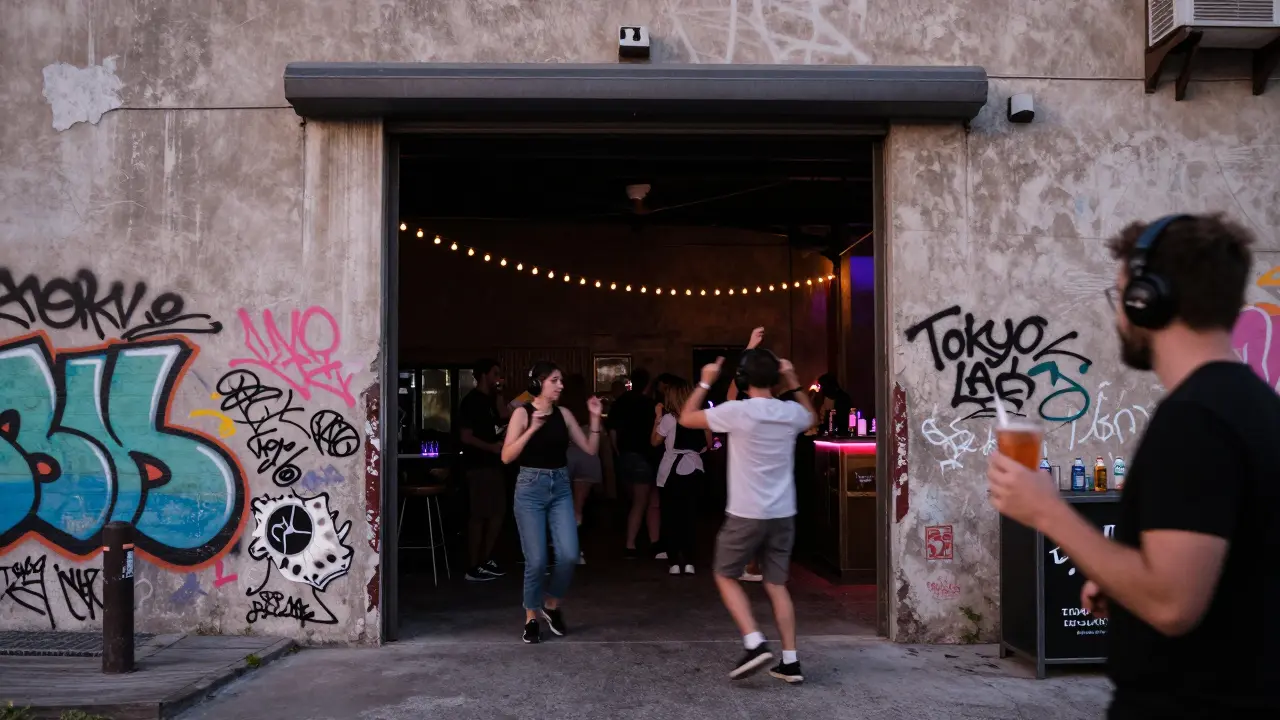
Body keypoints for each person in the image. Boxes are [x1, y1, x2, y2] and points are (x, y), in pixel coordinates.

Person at [986, 213, 1280, 718]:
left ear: (1148, 299)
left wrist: (1047, 512)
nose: (1119, 315)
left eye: (1121, 297)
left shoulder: (1193, 421)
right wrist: (1123, 581)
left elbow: (1170, 604)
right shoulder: (1254, 405)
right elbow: (1231, 562)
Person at [679, 350, 817, 683]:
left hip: (746, 512)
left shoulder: (736, 412)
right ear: (775, 379)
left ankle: (754, 642)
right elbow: (811, 417)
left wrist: (705, 381)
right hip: (783, 512)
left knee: (725, 574)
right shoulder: (791, 413)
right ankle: (791, 662)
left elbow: (686, 417)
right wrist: (795, 381)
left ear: (741, 380)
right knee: (776, 584)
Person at [502, 361, 603, 644]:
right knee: (536, 560)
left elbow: (591, 451)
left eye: (561, 381)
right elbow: (507, 456)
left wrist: (595, 418)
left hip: (559, 486)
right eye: (555, 380)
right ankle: (531, 617)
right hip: (530, 488)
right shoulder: (522, 413)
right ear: (539, 384)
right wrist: (532, 429)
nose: (560, 385)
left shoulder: (564, 414)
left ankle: (552, 604)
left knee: (570, 555)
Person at [651, 379, 713, 576]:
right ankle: (690, 560)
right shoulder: (699, 418)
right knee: (690, 516)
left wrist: (657, 417)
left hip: (672, 471)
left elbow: (655, 441)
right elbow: (708, 445)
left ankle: (674, 561)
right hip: (695, 468)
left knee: (671, 516)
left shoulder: (670, 418)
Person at [457, 359, 510, 582]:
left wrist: (499, 395)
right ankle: (474, 565)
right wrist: (492, 448)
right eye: (495, 373)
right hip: (479, 465)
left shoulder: (490, 400)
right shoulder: (471, 402)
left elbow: (504, 419)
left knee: (497, 512)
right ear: (484, 375)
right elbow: (465, 437)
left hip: (493, 465)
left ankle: (485, 560)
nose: (499, 377)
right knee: (480, 515)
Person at [607, 368, 662, 559]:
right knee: (644, 502)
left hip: (626, 456)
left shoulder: (620, 402)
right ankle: (632, 544)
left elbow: (612, 431)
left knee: (639, 501)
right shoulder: (651, 405)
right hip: (644, 457)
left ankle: (652, 543)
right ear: (648, 384)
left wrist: (618, 452)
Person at [562, 373, 603, 565]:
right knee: (578, 508)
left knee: (561, 506)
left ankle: (562, 548)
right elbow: (599, 432)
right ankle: (576, 551)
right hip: (587, 455)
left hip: (565, 456)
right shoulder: (589, 405)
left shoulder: (561, 408)